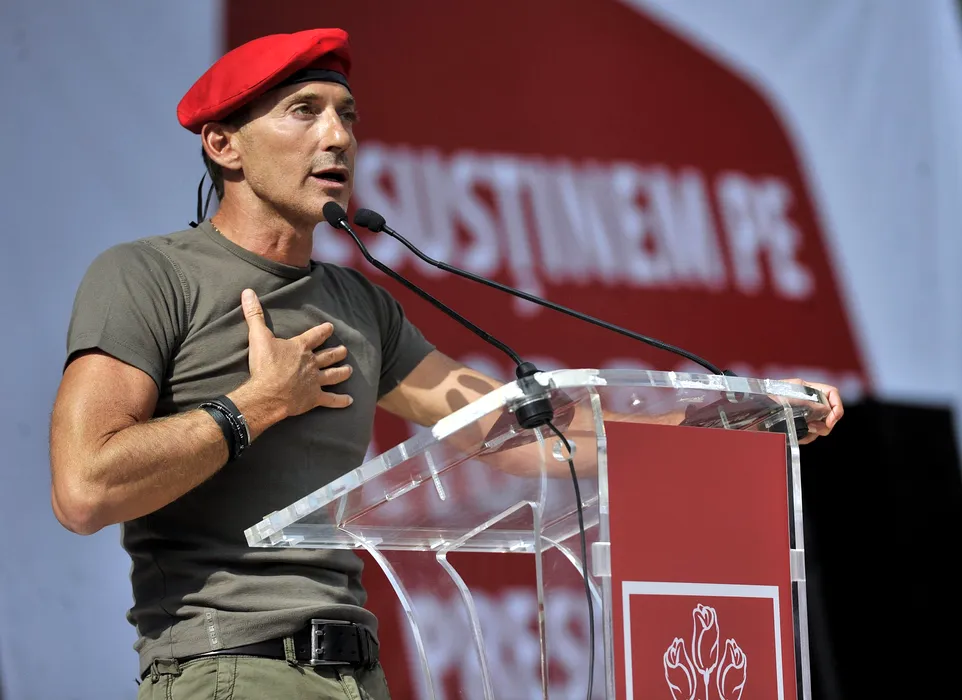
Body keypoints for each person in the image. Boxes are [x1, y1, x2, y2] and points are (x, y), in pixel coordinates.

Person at [48, 27, 845, 700]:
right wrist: (255, 405)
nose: (338, 137)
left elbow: (518, 433)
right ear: (223, 143)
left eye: (347, 116)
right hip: (228, 668)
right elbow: (83, 489)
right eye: (304, 111)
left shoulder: (359, 303)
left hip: (357, 673)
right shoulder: (148, 277)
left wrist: (723, 425)